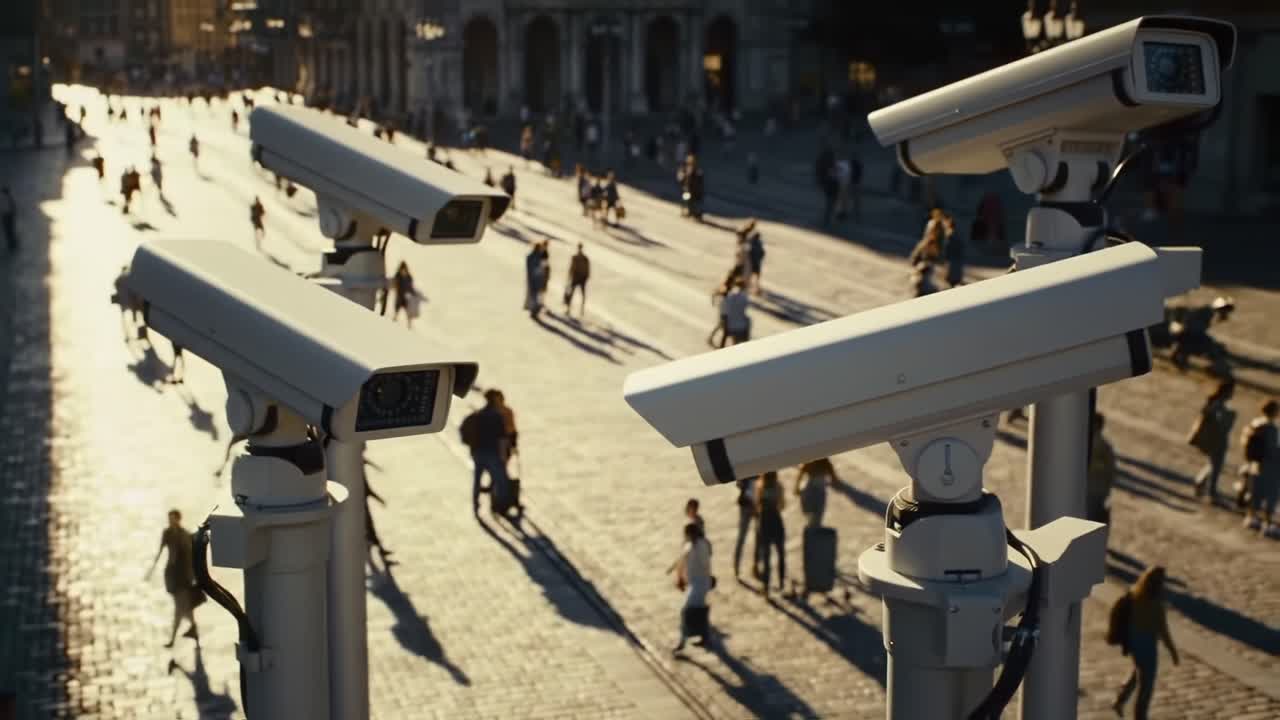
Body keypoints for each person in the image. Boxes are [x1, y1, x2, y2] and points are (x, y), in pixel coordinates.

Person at [1110, 566, 1179, 719]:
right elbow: (1164, 632)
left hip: (1135, 641)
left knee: (1138, 672)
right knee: (1146, 687)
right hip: (1148, 646)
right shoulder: (1157, 605)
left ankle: (1120, 700)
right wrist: (1173, 652)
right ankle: (1140, 716)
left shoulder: (1135, 595)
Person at [144, 510, 201, 648]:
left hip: (182, 575)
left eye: (173, 519)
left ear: (178, 519)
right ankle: (192, 632)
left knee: (180, 607)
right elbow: (160, 551)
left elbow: (190, 558)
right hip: (172, 574)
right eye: (169, 519)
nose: (170, 521)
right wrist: (151, 570)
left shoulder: (185, 535)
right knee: (184, 607)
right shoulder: (167, 533)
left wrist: (193, 576)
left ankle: (175, 639)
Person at [459, 390, 513, 516]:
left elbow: (464, 430)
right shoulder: (497, 416)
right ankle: (501, 506)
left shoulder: (477, 415)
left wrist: (471, 446)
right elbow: (502, 438)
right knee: (501, 481)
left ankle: (476, 503)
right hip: (493, 454)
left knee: (477, 479)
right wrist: (504, 456)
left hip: (477, 453)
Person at [1186, 380, 1236, 503]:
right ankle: (1211, 492)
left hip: (1214, 439)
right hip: (1216, 440)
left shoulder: (1214, 403)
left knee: (1214, 465)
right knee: (1216, 467)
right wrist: (1230, 415)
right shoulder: (1218, 406)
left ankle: (1201, 482)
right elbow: (1219, 423)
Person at [668, 521, 713, 653]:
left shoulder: (701, 546)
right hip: (694, 584)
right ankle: (705, 636)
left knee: (686, 611)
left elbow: (705, 565)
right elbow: (682, 561)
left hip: (700, 584)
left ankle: (682, 641)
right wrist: (681, 577)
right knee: (699, 611)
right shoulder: (689, 546)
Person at [1240, 399, 1279, 536]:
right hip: (1269, 466)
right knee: (1271, 495)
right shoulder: (1271, 429)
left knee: (1255, 493)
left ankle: (1251, 518)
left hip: (1255, 465)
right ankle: (1267, 523)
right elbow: (1272, 450)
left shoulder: (1255, 424)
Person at [755, 471, 787, 597]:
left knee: (766, 557)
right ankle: (781, 582)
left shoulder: (760, 486)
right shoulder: (778, 487)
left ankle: (766, 587)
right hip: (776, 521)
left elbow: (757, 506)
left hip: (764, 523)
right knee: (781, 554)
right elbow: (782, 505)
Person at [1086, 413, 1116, 524]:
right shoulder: (1105, 447)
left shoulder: (1085, 443)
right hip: (1097, 493)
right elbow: (1111, 473)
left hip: (1092, 492)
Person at [796, 458, 837, 528]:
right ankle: (814, 527)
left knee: (811, 512)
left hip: (812, 488)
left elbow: (801, 473)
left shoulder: (816, 461)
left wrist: (796, 487)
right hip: (817, 489)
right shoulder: (824, 461)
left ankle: (813, 527)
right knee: (816, 512)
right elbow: (833, 476)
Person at [732, 477, 757, 579]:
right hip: (747, 504)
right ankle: (736, 567)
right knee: (742, 537)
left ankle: (755, 565)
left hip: (758, 503)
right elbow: (738, 483)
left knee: (759, 537)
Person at [720, 280, 751, 347]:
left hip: (731, 324)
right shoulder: (744, 297)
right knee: (739, 343)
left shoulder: (730, 296)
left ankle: (721, 347)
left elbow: (724, 311)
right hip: (741, 326)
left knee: (729, 339)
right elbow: (746, 308)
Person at [525, 241, 550, 318]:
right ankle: (534, 311)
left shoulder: (531, 256)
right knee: (535, 296)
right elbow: (540, 268)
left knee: (533, 295)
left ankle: (534, 311)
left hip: (532, 278)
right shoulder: (537, 257)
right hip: (536, 279)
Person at [390, 261, 419, 328]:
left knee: (408, 313)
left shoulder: (408, 277)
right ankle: (393, 323)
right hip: (399, 298)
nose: (403, 271)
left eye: (404, 269)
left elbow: (410, 287)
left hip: (405, 298)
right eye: (402, 269)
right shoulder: (398, 276)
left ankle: (409, 326)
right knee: (396, 312)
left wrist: (413, 293)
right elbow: (394, 284)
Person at [565, 243, 590, 316]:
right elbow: (571, 267)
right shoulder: (575, 257)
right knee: (571, 293)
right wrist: (569, 276)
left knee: (582, 295)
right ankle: (569, 308)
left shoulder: (584, 258)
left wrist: (586, 277)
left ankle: (581, 309)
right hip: (576, 278)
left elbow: (587, 269)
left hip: (581, 278)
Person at [743, 219, 765, 295]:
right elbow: (762, 253)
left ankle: (753, 289)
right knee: (755, 278)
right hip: (755, 263)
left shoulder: (751, 242)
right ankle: (755, 289)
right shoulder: (758, 244)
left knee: (750, 277)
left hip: (752, 263)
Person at [1, 187, 15, 252]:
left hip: (5, 216)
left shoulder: (2, 199)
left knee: (8, 231)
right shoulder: (9, 198)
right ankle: (13, 243)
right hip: (9, 215)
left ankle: (11, 244)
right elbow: (13, 206)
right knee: (11, 230)